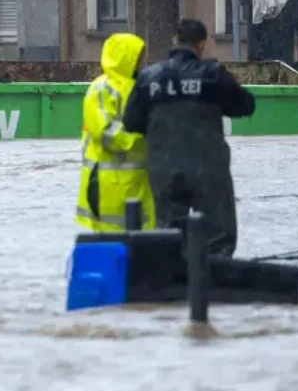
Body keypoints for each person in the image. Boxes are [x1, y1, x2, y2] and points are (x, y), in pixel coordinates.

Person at [122, 19, 256, 257]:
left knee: (169, 232)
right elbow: (246, 106)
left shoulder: (149, 78)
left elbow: (131, 122)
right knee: (218, 236)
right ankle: (212, 282)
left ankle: (172, 283)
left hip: (163, 168)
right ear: (202, 44)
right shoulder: (213, 75)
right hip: (208, 168)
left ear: (175, 40)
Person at [74, 32, 155, 234]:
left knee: (143, 242)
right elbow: (107, 133)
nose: (141, 62)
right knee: (112, 242)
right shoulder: (101, 89)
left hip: (139, 182)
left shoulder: (141, 86)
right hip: (108, 184)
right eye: (137, 56)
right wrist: (142, 135)